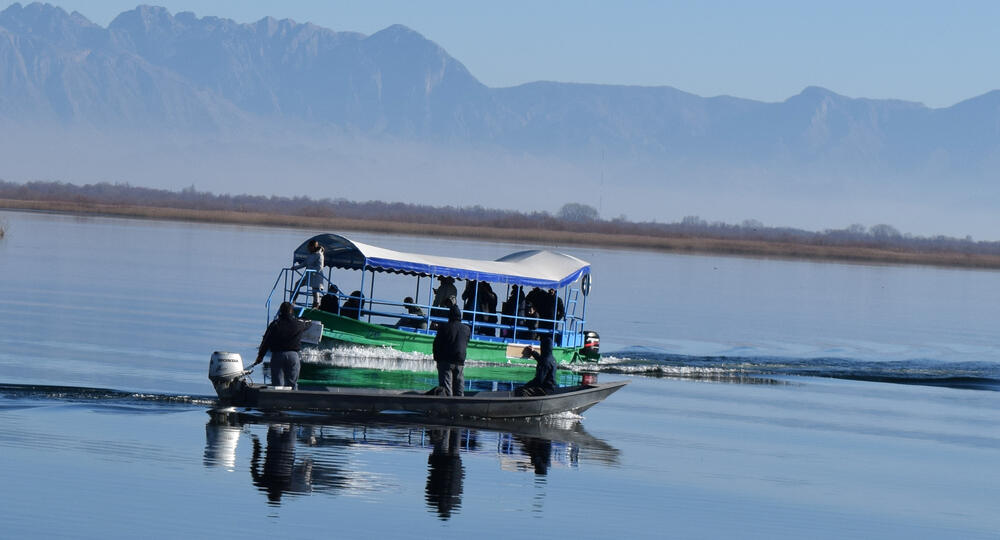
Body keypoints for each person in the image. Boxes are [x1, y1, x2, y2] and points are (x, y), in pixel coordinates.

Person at [252, 301, 310, 389]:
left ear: (281, 311)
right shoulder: (298, 324)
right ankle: (293, 401)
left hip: (277, 356)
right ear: (291, 311)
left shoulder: (275, 324)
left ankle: (277, 401)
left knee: (277, 385)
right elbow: (308, 323)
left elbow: (265, 341)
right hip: (293, 356)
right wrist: (302, 319)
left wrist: (260, 356)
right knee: (292, 384)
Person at [432, 304, 470, 396]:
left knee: (446, 387)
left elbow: (436, 344)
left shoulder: (444, 327)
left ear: (449, 315)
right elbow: (466, 343)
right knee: (459, 384)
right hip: (460, 360)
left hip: (445, 361)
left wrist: (437, 359)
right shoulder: (467, 329)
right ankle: (460, 402)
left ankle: (448, 403)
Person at [293, 240, 325, 308]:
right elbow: (305, 263)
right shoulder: (311, 255)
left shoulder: (319, 255)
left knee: (315, 292)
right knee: (297, 284)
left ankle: (316, 306)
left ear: (313, 247)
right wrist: (296, 267)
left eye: (309, 247)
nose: (308, 249)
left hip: (316, 276)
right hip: (308, 275)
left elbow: (319, 267)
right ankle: (293, 300)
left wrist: (311, 270)